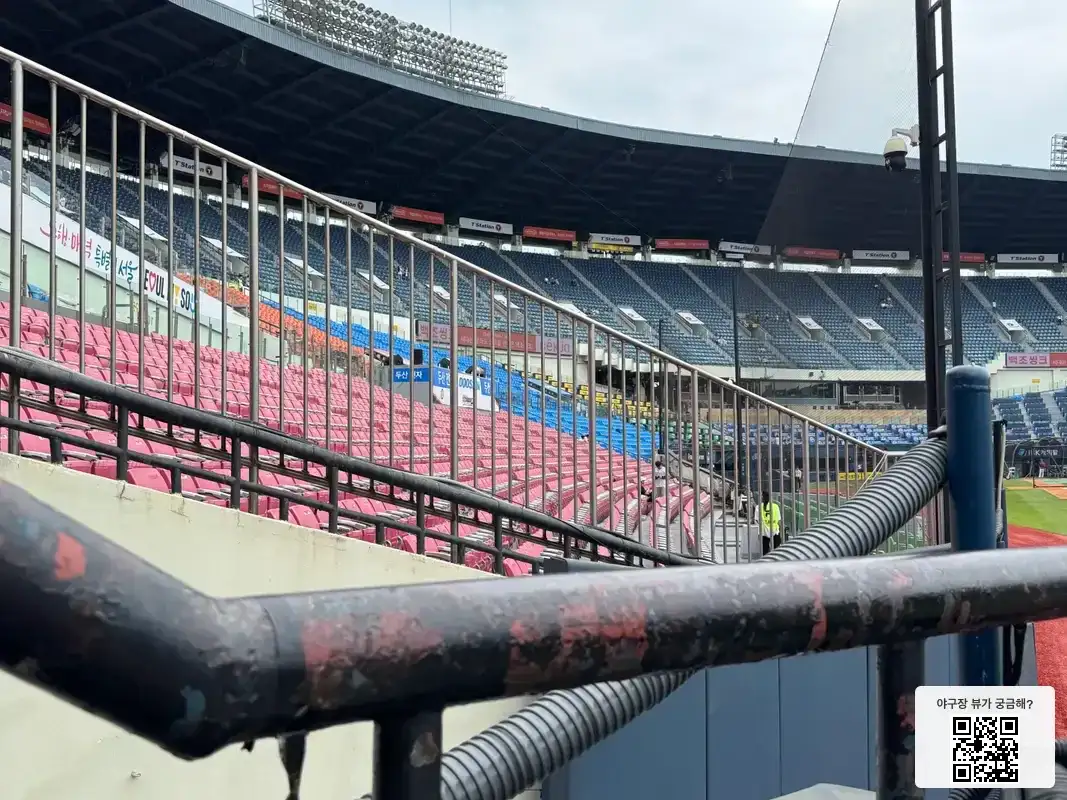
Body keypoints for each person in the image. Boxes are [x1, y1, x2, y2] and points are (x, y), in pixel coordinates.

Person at [760, 490, 782, 555]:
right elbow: (779, 520)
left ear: (762, 497)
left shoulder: (759, 507)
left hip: (764, 532)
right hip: (775, 531)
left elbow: (757, 520)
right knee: (776, 551)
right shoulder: (775, 506)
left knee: (765, 551)